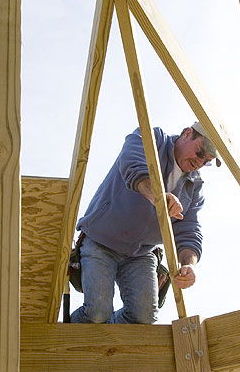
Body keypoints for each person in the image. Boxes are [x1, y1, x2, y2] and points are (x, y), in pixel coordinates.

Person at [69, 121, 221, 324]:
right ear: (186, 134)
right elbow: (131, 163)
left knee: (144, 318)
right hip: (101, 241)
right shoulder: (153, 139)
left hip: (140, 253)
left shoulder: (194, 186)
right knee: (97, 312)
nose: (200, 162)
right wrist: (158, 196)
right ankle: (67, 335)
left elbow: (189, 229)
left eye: (206, 161)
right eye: (200, 153)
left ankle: (106, 340)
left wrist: (189, 264)